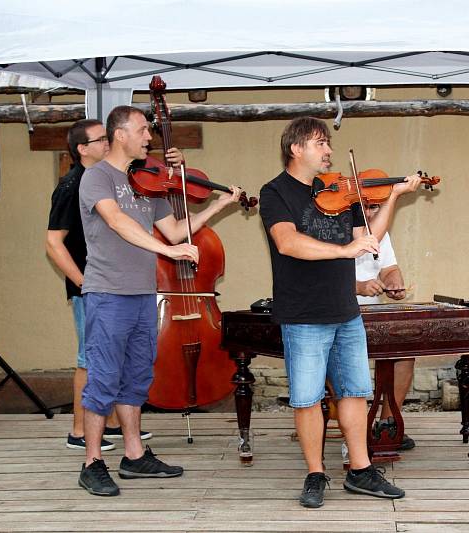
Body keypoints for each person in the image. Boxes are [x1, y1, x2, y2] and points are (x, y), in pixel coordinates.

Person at [77, 105, 240, 496]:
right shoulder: (96, 177)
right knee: (103, 378)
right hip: (108, 293)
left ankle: (134, 455)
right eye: (142, 130)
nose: (149, 137)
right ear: (120, 135)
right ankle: (92, 462)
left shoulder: (147, 180)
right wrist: (169, 252)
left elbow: (177, 230)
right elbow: (118, 222)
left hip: (144, 296)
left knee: (137, 377)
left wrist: (220, 204)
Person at [259, 117, 420, 508]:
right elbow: (288, 243)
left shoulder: (336, 191)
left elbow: (369, 240)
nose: (329, 150)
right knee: (308, 398)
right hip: (304, 312)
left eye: (328, 144)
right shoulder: (275, 192)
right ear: (296, 149)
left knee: (355, 392)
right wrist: (344, 252)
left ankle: (360, 469)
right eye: (321, 143)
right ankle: (315, 474)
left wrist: (395, 195)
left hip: (345, 311)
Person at [46, 119, 158, 452]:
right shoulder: (74, 184)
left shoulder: (126, 178)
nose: (107, 143)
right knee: (92, 361)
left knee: (122, 366)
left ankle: (117, 431)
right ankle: (80, 433)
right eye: (100, 140)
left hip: (121, 287)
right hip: (96, 286)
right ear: (82, 149)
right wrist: (84, 283)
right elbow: (53, 242)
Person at [354, 206, 415, 451]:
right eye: (364, 207)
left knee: (404, 352)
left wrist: (394, 283)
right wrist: (357, 286)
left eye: (375, 207)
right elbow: (321, 277)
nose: (370, 213)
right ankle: (354, 427)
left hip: (374, 314)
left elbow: (389, 268)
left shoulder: (382, 232)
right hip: (337, 314)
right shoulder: (334, 228)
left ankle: (387, 424)